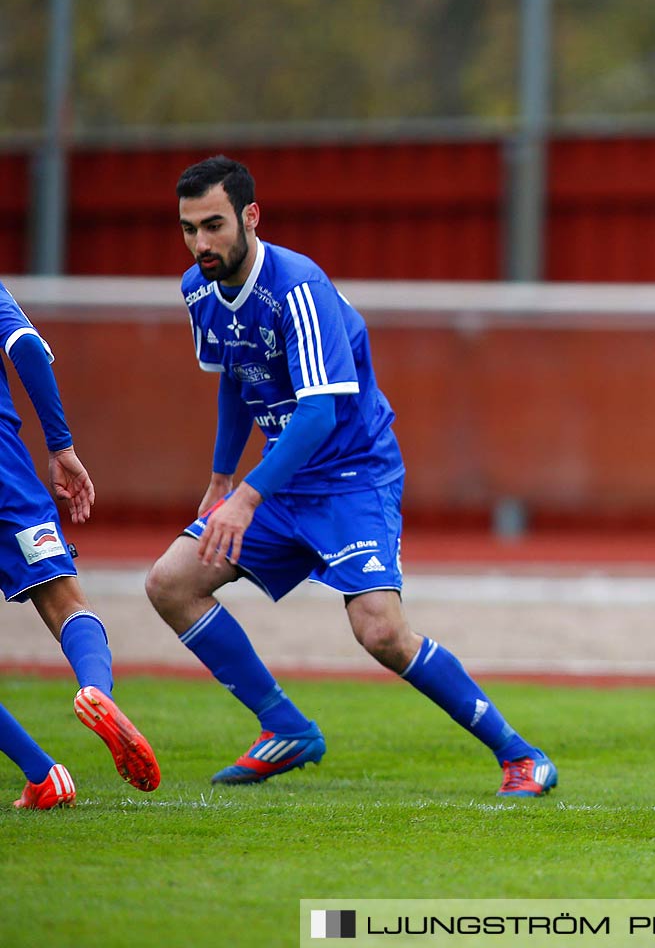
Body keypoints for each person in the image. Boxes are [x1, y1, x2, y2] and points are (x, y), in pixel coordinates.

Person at [143, 156, 555, 797]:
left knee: (381, 632)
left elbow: (319, 412)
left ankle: (521, 754)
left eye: (214, 225)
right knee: (170, 583)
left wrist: (247, 496)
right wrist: (222, 478)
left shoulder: (297, 287)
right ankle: (284, 724)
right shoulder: (200, 290)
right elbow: (236, 375)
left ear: (251, 216)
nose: (201, 244)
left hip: (350, 476)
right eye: (189, 229)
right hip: (282, 482)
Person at [1, 280, 160, 806]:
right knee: (65, 602)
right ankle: (96, 690)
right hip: (8, 471)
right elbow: (24, 345)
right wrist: (60, 444)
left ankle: (43, 773)